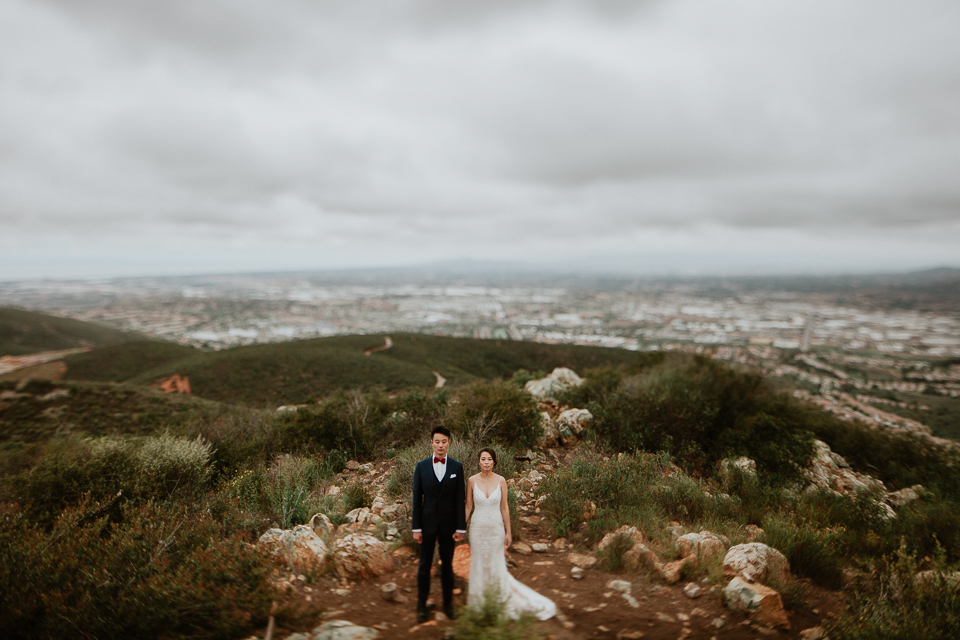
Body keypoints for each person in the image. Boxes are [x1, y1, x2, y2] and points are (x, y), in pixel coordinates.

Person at [464, 448, 556, 620]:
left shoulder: (501, 481)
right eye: (483, 459)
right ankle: (479, 603)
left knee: (495, 563)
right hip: (477, 528)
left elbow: (505, 507)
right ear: (478, 461)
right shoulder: (471, 481)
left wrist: (509, 532)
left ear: (494, 462)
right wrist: (460, 527)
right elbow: (468, 507)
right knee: (478, 563)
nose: (486, 462)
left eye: (489, 459)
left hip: (496, 528)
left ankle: (498, 600)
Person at [412, 426, 466, 623]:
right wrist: (416, 528)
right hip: (426, 525)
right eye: (437, 441)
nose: (441, 445)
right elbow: (417, 499)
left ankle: (448, 604)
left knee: (447, 566)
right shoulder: (421, 466)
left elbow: (460, 499)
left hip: (449, 526)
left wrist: (461, 527)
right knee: (424, 565)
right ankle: (421, 606)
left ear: (449, 442)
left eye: (444, 441)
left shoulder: (456, 467)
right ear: (431, 443)